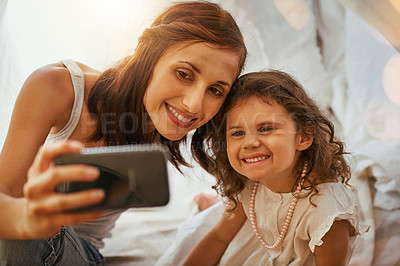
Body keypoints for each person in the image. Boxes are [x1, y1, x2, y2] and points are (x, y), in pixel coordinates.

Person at [0, 1, 247, 265]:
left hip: (80, 253)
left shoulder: (169, 117)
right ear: (149, 55)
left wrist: (211, 213)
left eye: (216, 90)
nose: (194, 104)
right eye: (184, 74)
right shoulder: (57, 87)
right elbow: (6, 190)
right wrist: (29, 219)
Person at [185, 71, 363, 265]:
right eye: (237, 132)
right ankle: (212, 205)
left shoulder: (326, 214)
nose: (250, 143)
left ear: (303, 136)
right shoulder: (249, 184)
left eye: (266, 128)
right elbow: (220, 237)